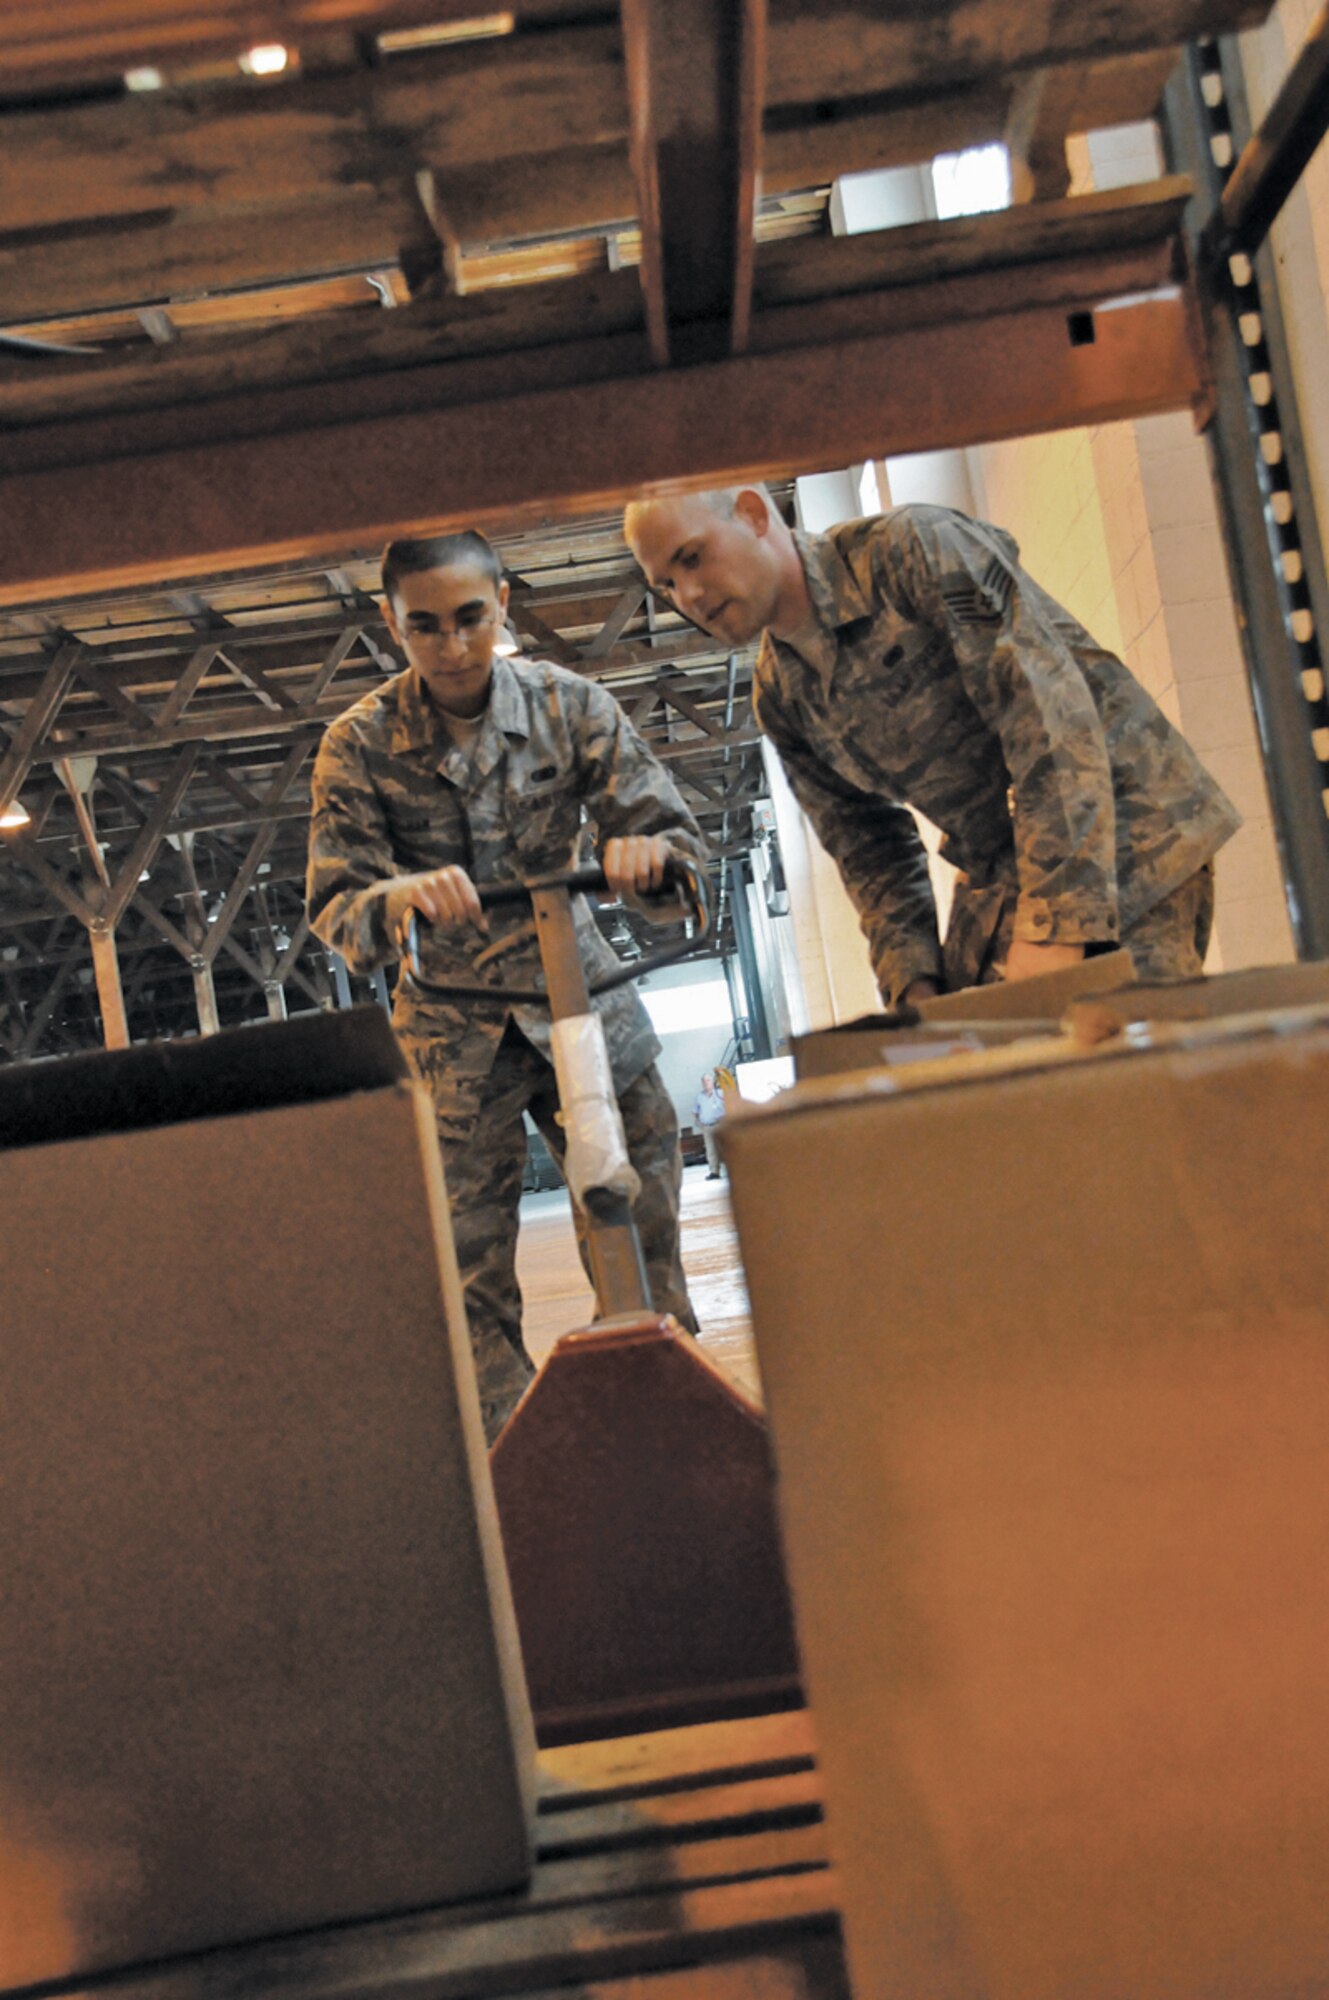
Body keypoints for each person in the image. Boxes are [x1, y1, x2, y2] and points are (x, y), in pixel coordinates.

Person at [307, 530, 707, 1442]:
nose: (451, 647)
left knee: (640, 1233)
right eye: (424, 627)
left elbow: (678, 850)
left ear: (503, 603)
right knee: (462, 1278)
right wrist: (397, 899)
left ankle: (668, 1429)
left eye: (469, 619)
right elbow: (338, 908)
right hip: (454, 1040)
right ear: (389, 623)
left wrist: (644, 862)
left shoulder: (572, 709)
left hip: (587, 1009)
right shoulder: (359, 744)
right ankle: (520, 1471)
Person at [624, 488, 1241, 1006]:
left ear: (754, 515)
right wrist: (913, 990)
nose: (690, 597)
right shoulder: (781, 697)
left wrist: (1054, 928)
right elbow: (871, 853)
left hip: (1128, 825)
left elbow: (1052, 723)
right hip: (1003, 864)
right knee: (973, 1075)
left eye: (693, 558)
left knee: (1145, 1099)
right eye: (668, 584)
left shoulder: (909, 551)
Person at [693, 1070, 726, 1178]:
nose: (705, 1083)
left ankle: (733, 1170)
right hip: (707, 1127)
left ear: (712, 1082)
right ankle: (714, 1171)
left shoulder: (721, 1093)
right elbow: (695, 1112)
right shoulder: (699, 1097)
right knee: (710, 1150)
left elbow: (730, 1106)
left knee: (726, 1148)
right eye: (703, 1081)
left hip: (720, 1125)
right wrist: (699, 1124)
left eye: (708, 1080)